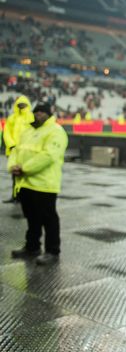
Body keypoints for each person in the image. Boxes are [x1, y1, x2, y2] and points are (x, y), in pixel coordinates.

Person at [9, 102, 69, 266]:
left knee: (48, 219)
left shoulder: (56, 131)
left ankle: (52, 251)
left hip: (45, 184)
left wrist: (24, 168)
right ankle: (32, 247)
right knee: (31, 218)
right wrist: (12, 166)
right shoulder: (27, 130)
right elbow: (16, 150)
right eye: (36, 112)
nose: (38, 115)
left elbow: (49, 155)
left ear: (49, 114)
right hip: (25, 183)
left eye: (42, 112)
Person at [2, 95, 34, 203]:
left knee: (25, 175)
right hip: (13, 151)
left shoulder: (31, 117)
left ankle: (23, 197)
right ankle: (15, 196)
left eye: (23, 104)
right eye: (19, 105)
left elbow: (35, 134)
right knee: (14, 175)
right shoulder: (12, 118)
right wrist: (11, 145)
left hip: (26, 151)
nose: (21, 106)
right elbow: (6, 133)